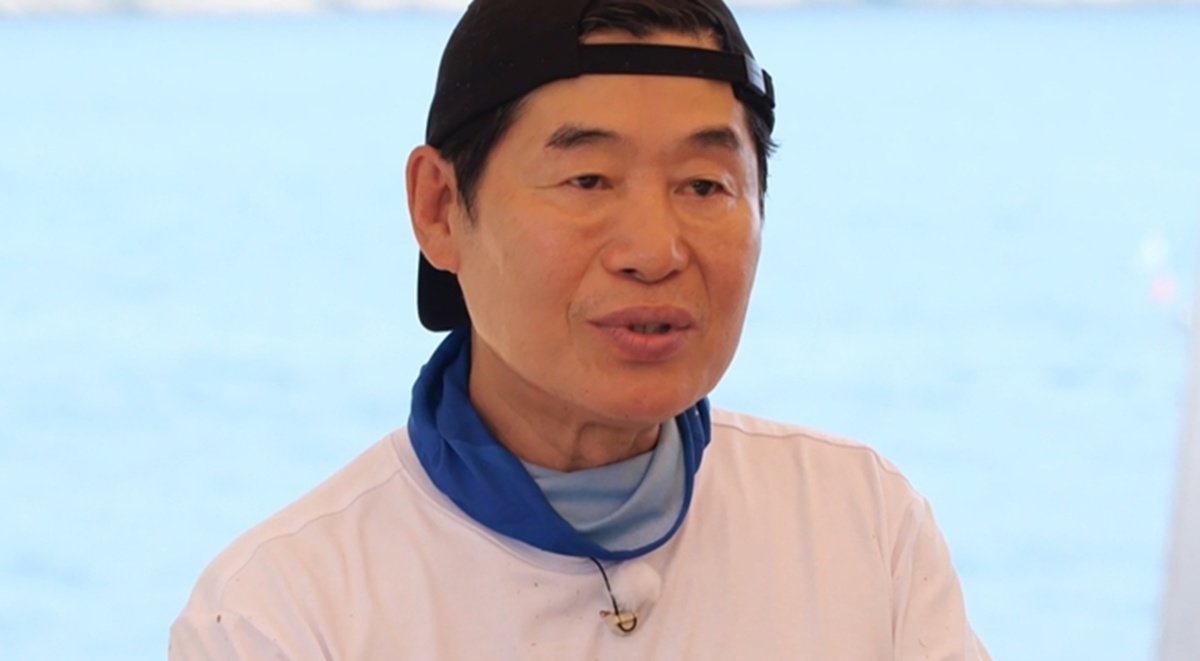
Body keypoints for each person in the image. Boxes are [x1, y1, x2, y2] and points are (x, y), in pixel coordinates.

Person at [170, 0, 990, 658]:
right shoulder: (281, 614)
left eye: (704, 185)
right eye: (588, 179)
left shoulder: (861, 526)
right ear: (441, 208)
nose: (655, 251)